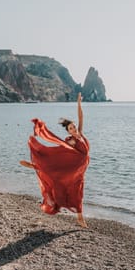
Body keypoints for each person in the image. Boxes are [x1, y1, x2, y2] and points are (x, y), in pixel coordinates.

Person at [20, 92, 90, 228]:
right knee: (76, 192)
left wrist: (79, 103)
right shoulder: (71, 141)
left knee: (78, 193)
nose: (74, 129)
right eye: (71, 128)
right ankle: (35, 166)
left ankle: (79, 217)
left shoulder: (80, 134)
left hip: (80, 171)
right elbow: (58, 155)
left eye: (74, 127)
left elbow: (81, 117)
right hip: (74, 169)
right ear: (68, 131)